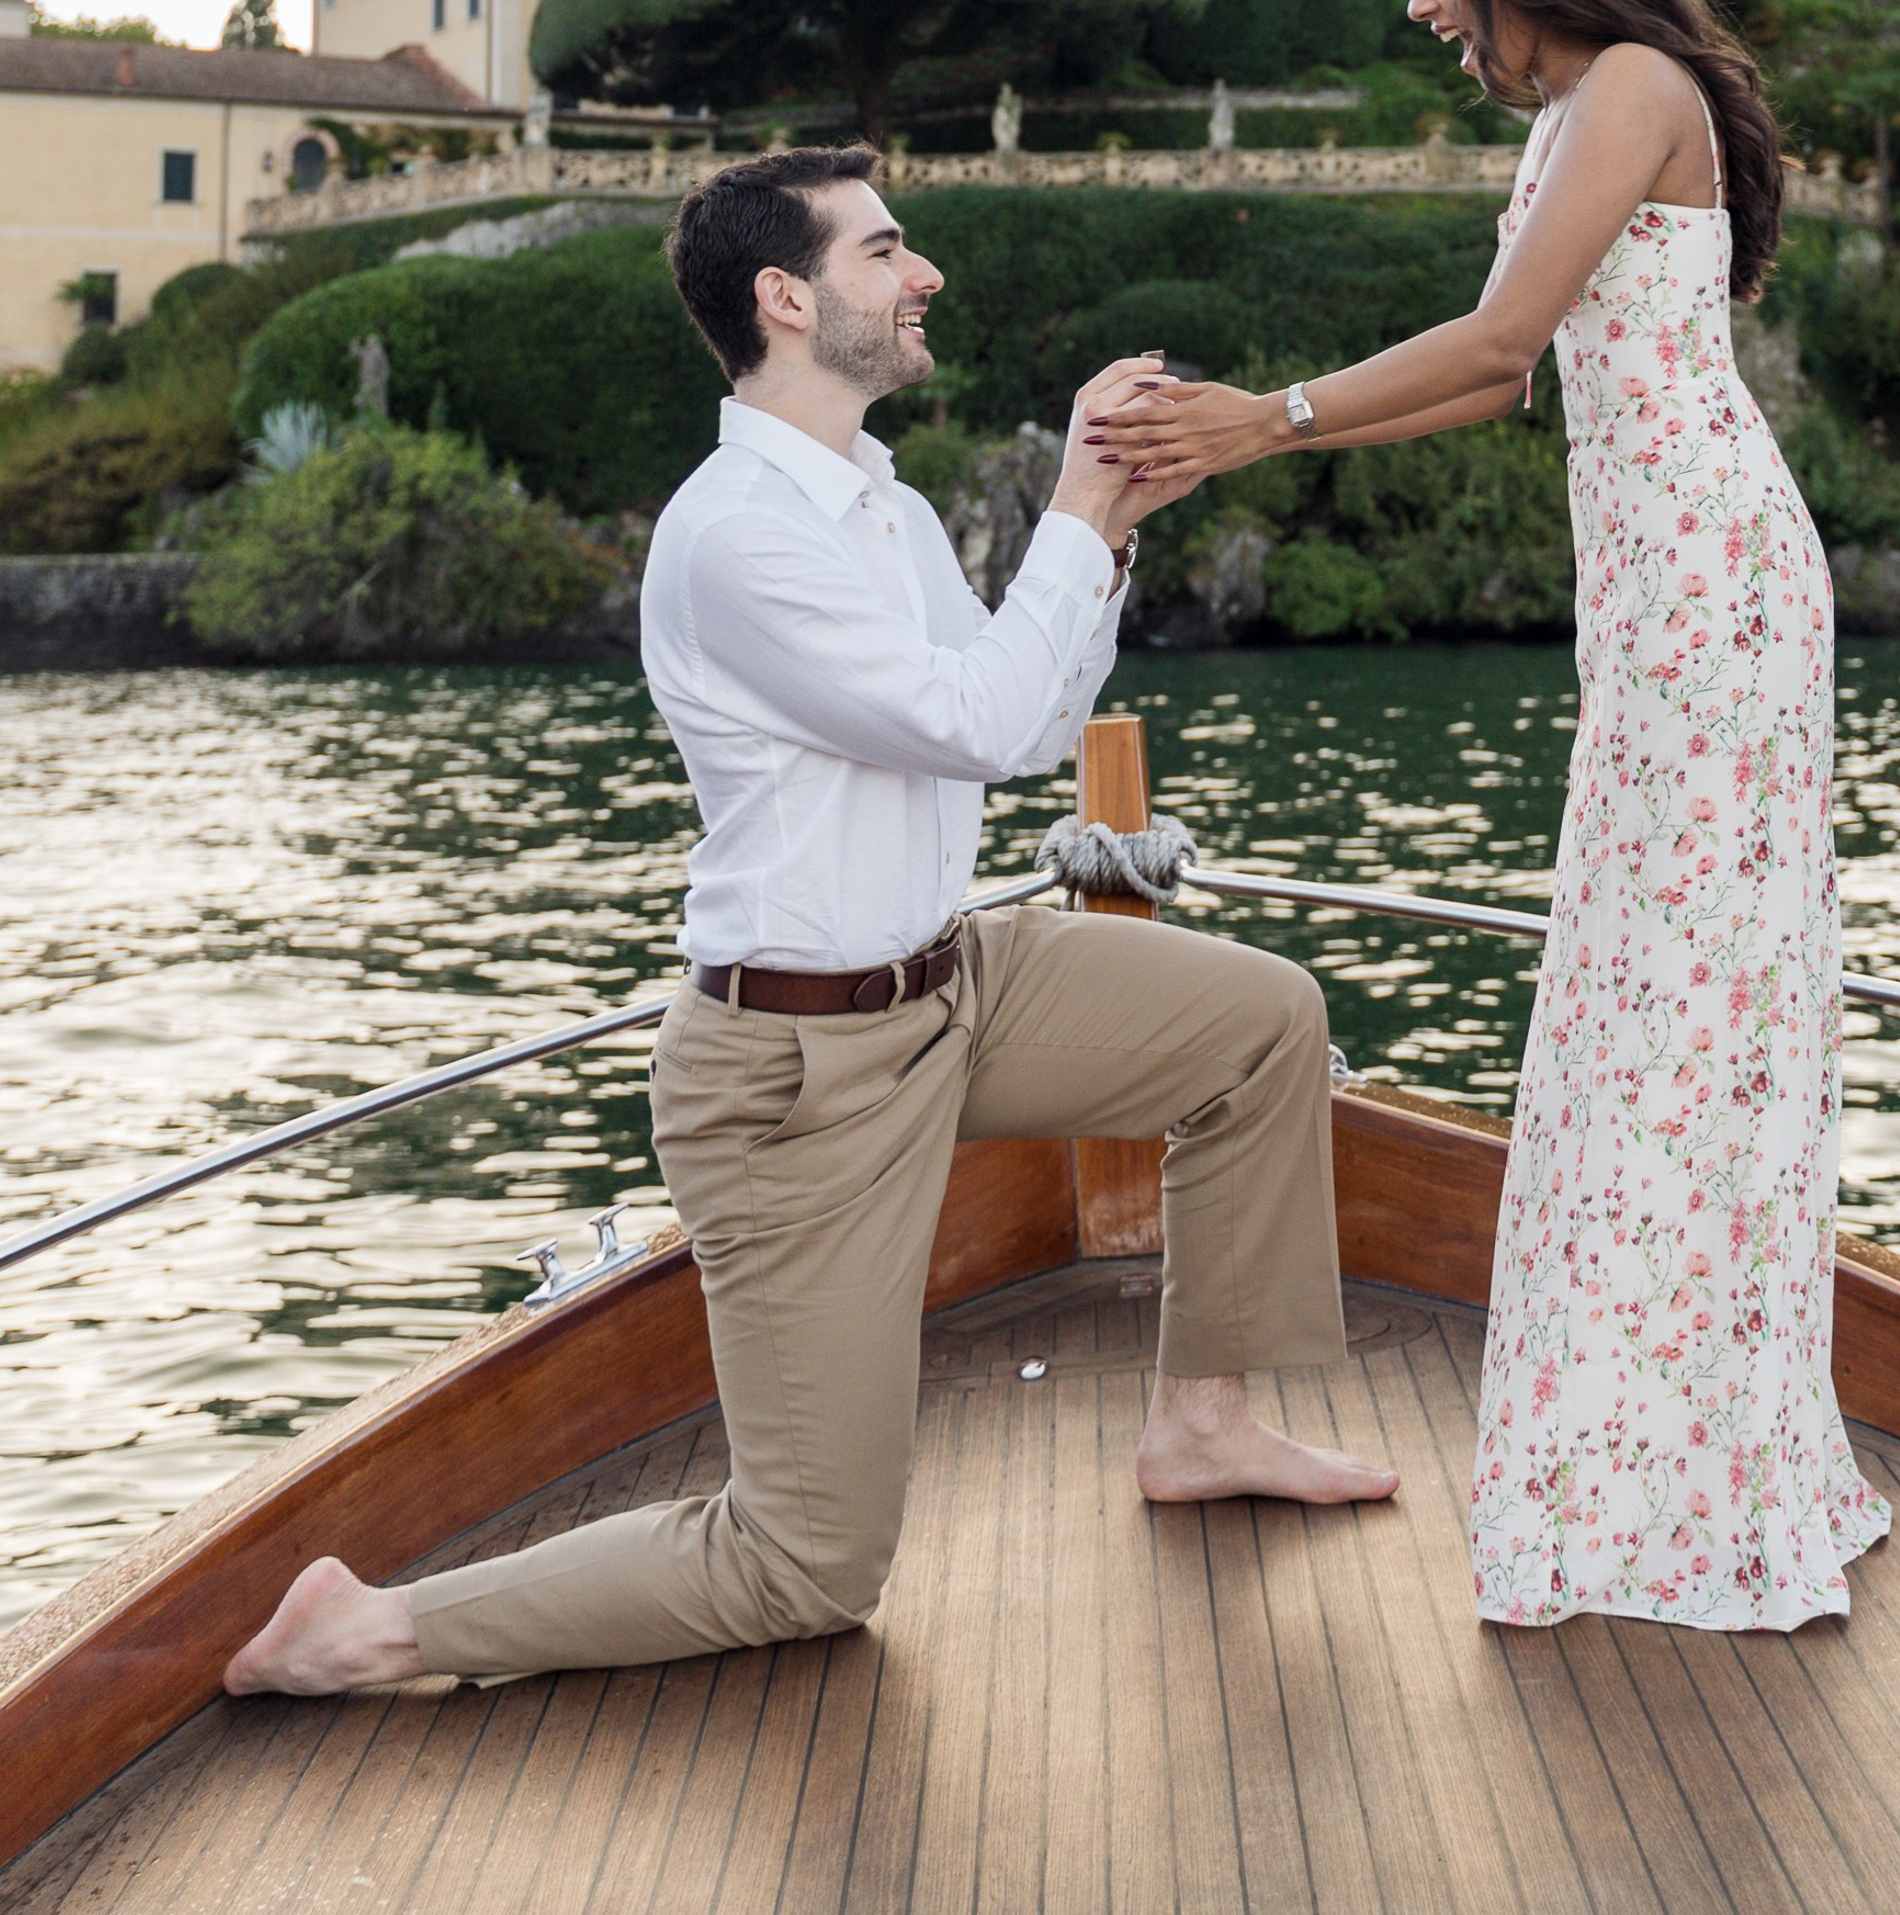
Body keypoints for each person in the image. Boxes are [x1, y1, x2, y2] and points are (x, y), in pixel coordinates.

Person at [226, 147, 1392, 1703]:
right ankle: (369, 1630)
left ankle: (1202, 1425)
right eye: (887, 251)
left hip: (954, 983)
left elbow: (1030, 723)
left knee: (1259, 1024)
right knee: (810, 1565)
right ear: (788, 298)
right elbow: (979, 719)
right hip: (795, 1070)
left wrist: (1105, 530)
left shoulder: (883, 508)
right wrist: (1067, 499)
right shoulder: (735, 536)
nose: (925, 278)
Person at [1095, 0, 1887, 1633]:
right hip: (1662, 587)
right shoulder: (1586, 110)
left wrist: (1257, 424)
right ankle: (1661, 1449)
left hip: (1714, 585)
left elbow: (1496, 342)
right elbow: (1496, 376)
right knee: (1655, 994)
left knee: (1688, 1000)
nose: (1419, 1)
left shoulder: (1634, 84)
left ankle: (1686, 1471)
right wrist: (1257, 433)